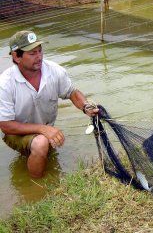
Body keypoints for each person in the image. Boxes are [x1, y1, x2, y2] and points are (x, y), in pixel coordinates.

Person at [0, 30, 99, 178]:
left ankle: (36, 160)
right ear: (16, 57)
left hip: (44, 129)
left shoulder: (54, 71)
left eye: (40, 51)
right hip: (16, 132)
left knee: (43, 145)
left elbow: (71, 92)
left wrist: (86, 106)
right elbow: (5, 125)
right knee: (41, 143)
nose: (39, 57)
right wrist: (43, 129)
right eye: (32, 53)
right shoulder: (5, 83)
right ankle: (36, 188)